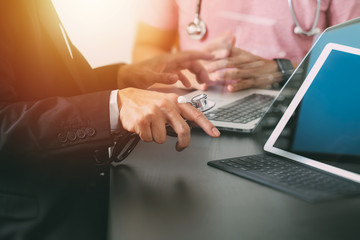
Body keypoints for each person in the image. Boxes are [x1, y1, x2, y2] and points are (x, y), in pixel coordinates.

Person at [0, 1, 220, 239]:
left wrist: (122, 77)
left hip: (82, 189)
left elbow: (42, 85)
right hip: (41, 214)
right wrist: (115, 104)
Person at [133, 0, 360, 92]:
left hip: (291, 114)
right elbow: (145, 49)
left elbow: (351, 67)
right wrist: (183, 71)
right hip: (196, 110)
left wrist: (285, 70)